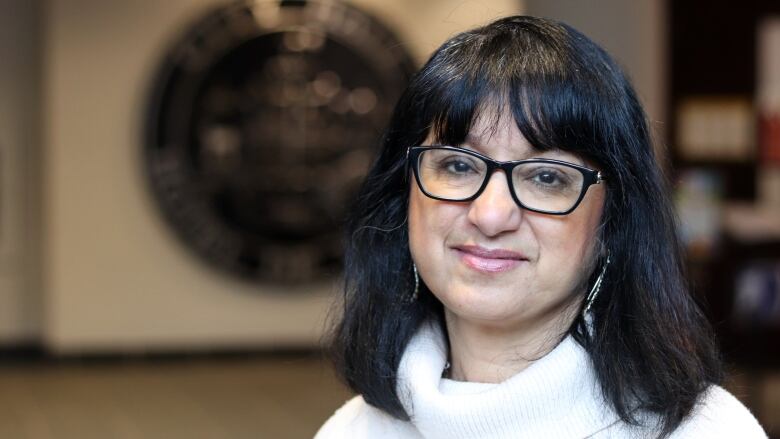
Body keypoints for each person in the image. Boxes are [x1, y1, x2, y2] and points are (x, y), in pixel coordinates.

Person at [315, 15, 767, 439]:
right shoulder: (354, 429)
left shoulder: (704, 431)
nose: (490, 215)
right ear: (404, 195)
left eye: (547, 177)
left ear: (613, 222)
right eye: (456, 165)